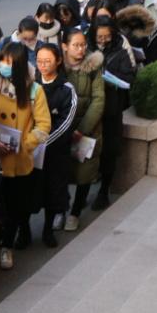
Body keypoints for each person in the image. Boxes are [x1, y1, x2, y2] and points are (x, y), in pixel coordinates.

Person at [0, 41, 51, 271]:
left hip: (20, 159)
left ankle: (7, 245)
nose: (5, 65)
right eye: (3, 61)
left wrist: (24, 144)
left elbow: (43, 125)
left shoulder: (34, 90)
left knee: (15, 207)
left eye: (10, 62)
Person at [91, 16, 136, 210]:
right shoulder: (86, 49)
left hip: (111, 109)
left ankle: (104, 192)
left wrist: (110, 77)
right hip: (91, 110)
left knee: (108, 152)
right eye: (99, 37)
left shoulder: (120, 51)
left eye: (106, 36)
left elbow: (129, 77)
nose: (103, 41)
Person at [62, 28, 105, 231]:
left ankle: (75, 212)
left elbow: (98, 99)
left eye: (83, 45)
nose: (81, 49)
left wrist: (83, 128)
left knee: (84, 173)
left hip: (87, 130)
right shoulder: (59, 67)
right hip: (62, 129)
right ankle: (60, 210)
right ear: (65, 46)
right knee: (60, 173)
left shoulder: (93, 67)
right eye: (76, 45)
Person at [34, 44, 76, 247]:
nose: (42, 65)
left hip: (55, 151)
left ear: (58, 60)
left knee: (53, 191)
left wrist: (42, 142)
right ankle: (24, 230)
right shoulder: (32, 85)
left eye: (47, 61)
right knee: (30, 191)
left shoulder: (66, 89)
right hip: (32, 150)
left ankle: (48, 229)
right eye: (39, 61)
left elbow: (65, 123)